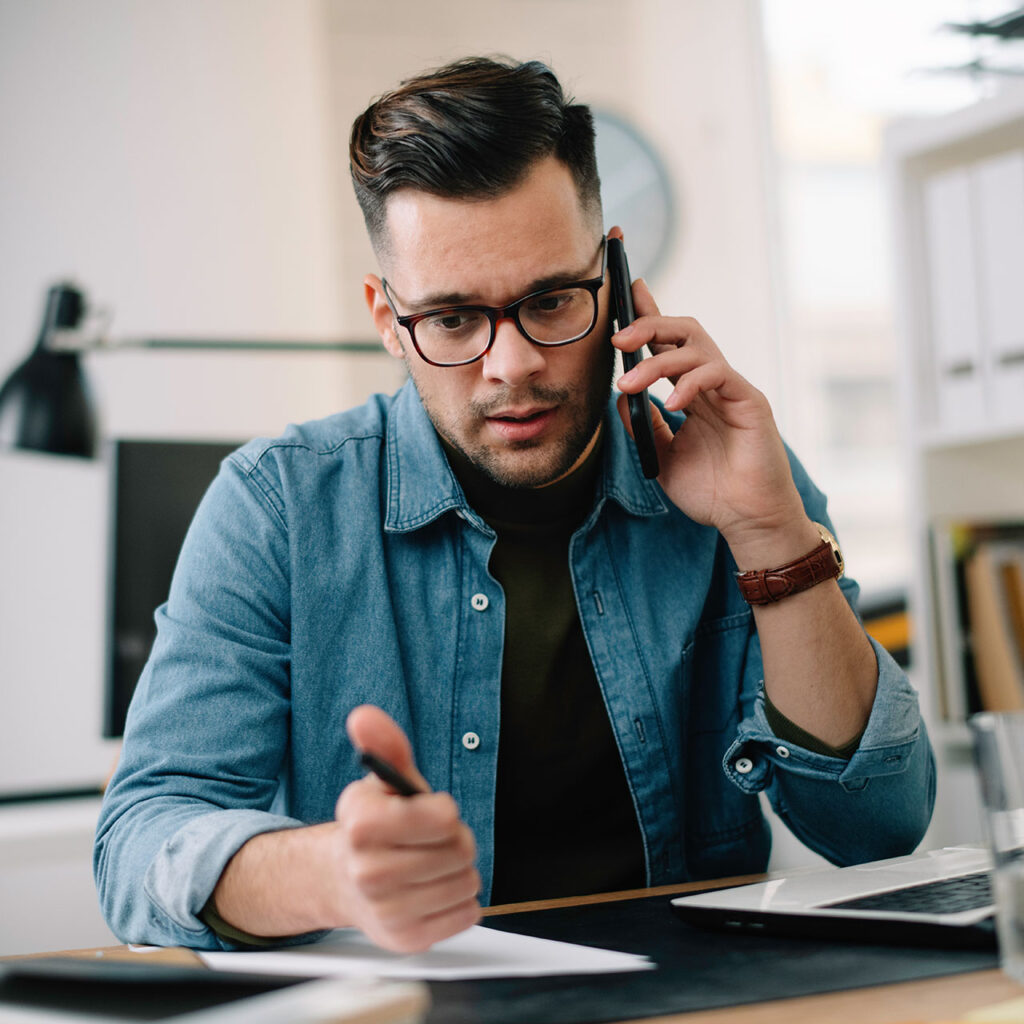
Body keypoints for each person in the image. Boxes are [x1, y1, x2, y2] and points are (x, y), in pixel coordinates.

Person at [95, 56, 935, 954]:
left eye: (549, 300)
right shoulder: (279, 507)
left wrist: (771, 536)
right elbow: (140, 844)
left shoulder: (741, 472)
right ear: (387, 318)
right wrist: (333, 872)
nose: (513, 366)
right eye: (453, 319)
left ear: (611, 278)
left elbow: (879, 828)